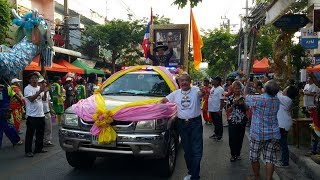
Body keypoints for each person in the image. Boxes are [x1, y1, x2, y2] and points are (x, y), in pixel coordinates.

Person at [159, 72, 205, 180]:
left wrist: (203, 91)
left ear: (190, 82)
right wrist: (157, 107)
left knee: (197, 151)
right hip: (182, 124)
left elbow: (201, 94)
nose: (184, 82)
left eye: (186, 80)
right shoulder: (175, 94)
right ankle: (192, 172)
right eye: (181, 80)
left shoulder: (195, 90)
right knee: (187, 152)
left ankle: (194, 176)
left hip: (196, 124)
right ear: (178, 82)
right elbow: (163, 101)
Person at [244, 79, 280, 180]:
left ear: (265, 89)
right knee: (270, 158)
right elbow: (265, 95)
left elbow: (245, 96)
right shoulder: (277, 99)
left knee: (254, 156)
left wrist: (247, 85)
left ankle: (257, 177)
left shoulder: (258, 99)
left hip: (258, 133)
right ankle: (269, 178)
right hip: (273, 133)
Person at [24, 72, 49, 157]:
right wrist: (40, 91)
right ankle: (28, 151)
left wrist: (45, 92)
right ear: (29, 80)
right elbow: (31, 99)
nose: (35, 79)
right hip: (32, 115)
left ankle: (39, 148)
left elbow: (44, 99)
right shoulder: (27, 88)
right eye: (33, 78)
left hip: (41, 114)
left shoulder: (39, 87)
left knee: (40, 133)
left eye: (36, 78)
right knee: (30, 134)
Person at [276, 85, 298, 167]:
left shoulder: (286, 99)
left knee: (283, 144)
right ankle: (283, 160)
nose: (284, 89)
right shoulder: (286, 99)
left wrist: (276, 88)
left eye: (286, 88)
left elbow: (277, 94)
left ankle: (285, 162)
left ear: (288, 92)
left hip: (283, 124)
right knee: (282, 144)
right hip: (283, 123)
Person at [226, 81, 248, 162]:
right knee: (232, 139)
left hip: (242, 122)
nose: (237, 90)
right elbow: (228, 110)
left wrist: (243, 104)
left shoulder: (244, 98)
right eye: (235, 88)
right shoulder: (230, 98)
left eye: (239, 89)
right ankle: (232, 154)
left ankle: (238, 154)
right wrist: (234, 104)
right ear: (233, 89)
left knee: (240, 138)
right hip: (232, 121)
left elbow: (247, 109)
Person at [0, 77, 23, 148]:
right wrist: (21, 103)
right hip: (5, 111)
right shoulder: (8, 88)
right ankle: (16, 140)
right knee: (9, 126)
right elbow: (17, 97)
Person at [208, 76, 225, 141]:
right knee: (214, 123)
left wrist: (220, 110)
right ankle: (216, 133)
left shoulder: (220, 89)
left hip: (217, 110)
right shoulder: (212, 88)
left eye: (214, 80)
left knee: (218, 123)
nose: (212, 81)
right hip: (212, 109)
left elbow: (222, 100)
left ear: (217, 81)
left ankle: (219, 136)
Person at [41, 78, 55, 147]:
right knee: (41, 128)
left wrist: (51, 109)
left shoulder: (47, 91)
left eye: (45, 82)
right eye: (43, 83)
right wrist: (45, 92)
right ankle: (40, 140)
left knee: (48, 127)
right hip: (39, 113)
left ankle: (47, 140)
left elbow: (48, 101)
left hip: (47, 111)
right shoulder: (38, 90)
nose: (45, 84)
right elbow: (43, 99)